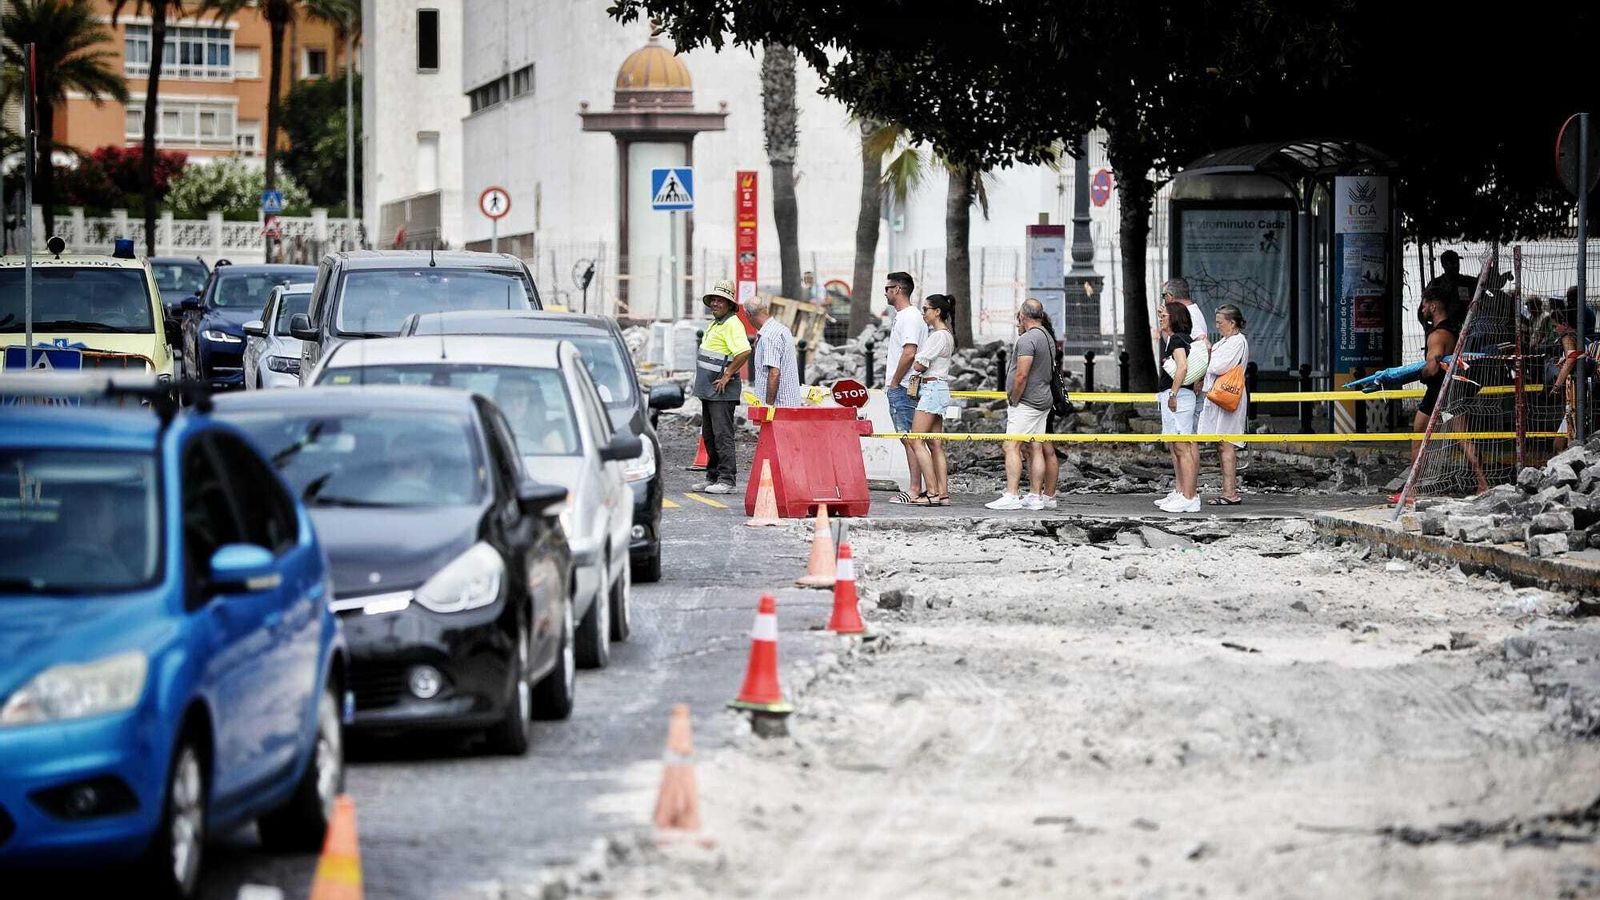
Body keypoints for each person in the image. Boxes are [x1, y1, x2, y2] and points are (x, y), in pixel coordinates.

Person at [1395, 284, 1489, 504]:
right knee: (1463, 437)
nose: (1422, 309)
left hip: (1437, 390)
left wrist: (1418, 373)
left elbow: (1433, 367)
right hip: (1454, 388)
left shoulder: (1437, 335)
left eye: (1424, 305)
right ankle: (1483, 483)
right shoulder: (1454, 331)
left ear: (1433, 306)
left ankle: (1413, 489)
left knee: (1418, 435)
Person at [986, 299, 1055, 511]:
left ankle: (1012, 494)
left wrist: (1015, 398)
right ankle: (1035, 496)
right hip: (1043, 399)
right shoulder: (1047, 336)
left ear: (1022, 316)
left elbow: (1022, 374)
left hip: (1027, 401)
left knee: (1011, 445)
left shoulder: (1027, 339)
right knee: (1035, 447)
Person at [693, 279, 751, 495]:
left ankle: (727, 480)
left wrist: (727, 375)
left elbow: (744, 351)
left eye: (720, 300)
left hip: (721, 391)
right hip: (709, 390)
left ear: (729, 304)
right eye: (714, 300)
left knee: (722, 435)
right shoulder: (716, 323)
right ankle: (713, 476)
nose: (715, 304)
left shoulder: (732, 324)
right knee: (709, 436)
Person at [1198, 304, 1251, 505]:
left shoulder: (1238, 342)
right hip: (1220, 396)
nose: (1217, 325)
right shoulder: (1225, 341)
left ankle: (1230, 493)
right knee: (1221, 444)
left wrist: (1206, 356)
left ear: (1232, 322)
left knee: (1227, 443)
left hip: (1228, 396)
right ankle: (1227, 491)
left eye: (1220, 322)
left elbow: (1218, 366)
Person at [884, 271, 928, 503]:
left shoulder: (909, 317)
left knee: (910, 438)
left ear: (898, 289)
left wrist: (894, 381)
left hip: (903, 386)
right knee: (911, 438)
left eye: (887, 288)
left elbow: (909, 352)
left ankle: (914, 489)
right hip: (905, 385)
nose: (885, 293)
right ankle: (922, 488)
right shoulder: (908, 316)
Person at [908, 294, 956, 506]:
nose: (923, 313)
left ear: (937, 312)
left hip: (931, 388)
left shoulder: (938, 336)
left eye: (926, 309)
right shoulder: (947, 335)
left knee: (915, 440)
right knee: (935, 444)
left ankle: (933, 491)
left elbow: (920, 364)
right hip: (939, 388)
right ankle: (943, 494)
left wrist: (916, 359)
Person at [1156, 302, 1200, 513]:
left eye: (1164, 315)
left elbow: (1182, 367)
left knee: (1183, 447)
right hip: (1180, 395)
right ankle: (1183, 492)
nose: (1161, 318)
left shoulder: (1177, 340)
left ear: (1174, 318)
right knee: (1178, 447)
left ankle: (1190, 496)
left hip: (1179, 396)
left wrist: (1173, 394)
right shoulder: (1178, 338)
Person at [1159, 278, 1210, 427]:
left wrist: (1198, 380)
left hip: (1182, 389)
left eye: (1163, 296)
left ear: (1170, 296)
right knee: (1183, 435)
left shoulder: (1189, 314)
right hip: (1184, 388)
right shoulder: (1191, 313)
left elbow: (1205, 346)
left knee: (1181, 436)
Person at [744, 294, 803, 407]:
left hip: (778, 408)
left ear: (748, 314)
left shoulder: (768, 336)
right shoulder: (782, 329)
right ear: (766, 309)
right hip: (790, 404)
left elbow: (774, 373)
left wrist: (768, 406)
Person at [1034, 310, 1065, 509]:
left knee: (1042, 447)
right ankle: (1048, 494)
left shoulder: (1038, 342)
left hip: (1039, 399)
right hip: (1048, 398)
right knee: (1045, 446)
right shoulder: (1050, 342)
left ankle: (1042, 494)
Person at [1549, 297, 1583, 452]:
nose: (1554, 330)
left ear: (1564, 323)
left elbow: (1571, 359)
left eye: (1555, 326)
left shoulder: (1567, 337)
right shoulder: (1579, 336)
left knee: (1559, 444)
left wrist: (1557, 385)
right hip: (1578, 393)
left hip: (1575, 393)